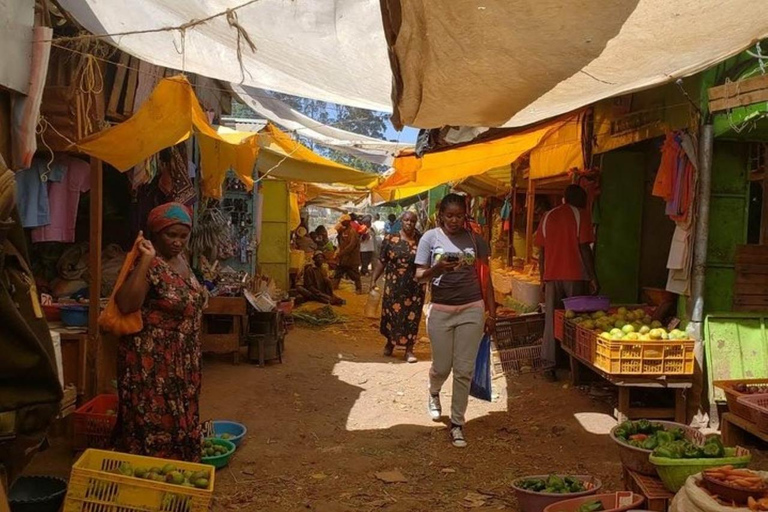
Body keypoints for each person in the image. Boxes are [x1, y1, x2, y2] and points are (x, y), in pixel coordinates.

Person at [114, 202, 206, 461]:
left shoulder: (182, 260)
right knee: (155, 417)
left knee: (181, 413)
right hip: (153, 362)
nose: (178, 242)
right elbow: (127, 303)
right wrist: (145, 259)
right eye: (171, 235)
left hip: (182, 359)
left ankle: (180, 467)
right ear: (155, 234)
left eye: (183, 236)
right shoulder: (150, 264)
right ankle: (153, 474)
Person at [415, 193, 495, 448]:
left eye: (459, 215)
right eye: (449, 215)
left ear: (465, 216)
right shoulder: (430, 238)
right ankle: (434, 391)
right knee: (442, 367)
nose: (454, 220)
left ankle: (457, 424)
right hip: (441, 309)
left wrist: (491, 312)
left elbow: (487, 279)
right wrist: (437, 268)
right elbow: (418, 277)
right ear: (441, 215)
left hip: (471, 308)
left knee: (463, 370)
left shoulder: (476, 240)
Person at [536, 184, 598, 381]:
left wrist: (542, 278)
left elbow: (542, 252)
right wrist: (592, 276)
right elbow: (584, 248)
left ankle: (550, 365)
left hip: (552, 275)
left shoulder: (547, 216)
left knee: (551, 320)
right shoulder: (581, 215)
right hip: (575, 275)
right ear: (580, 199)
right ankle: (576, 367)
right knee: (575, 320)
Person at [371, 211, 425, 363]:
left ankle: (409, 350)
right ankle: (390, 343)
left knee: (412, 316)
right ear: (402, 221)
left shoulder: (421, 240)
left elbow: (427, 262)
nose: (409, 223)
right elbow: (382, 261)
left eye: (412, 221)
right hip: (394, 286)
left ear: (416, 223)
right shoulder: (390, 239)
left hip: (415, 287)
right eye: (407, 220)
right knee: (392, 315)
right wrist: (374, 279)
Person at [333, 214, 363, 293]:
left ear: (347, 222)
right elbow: (340, 243)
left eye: (343, 222)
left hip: (351, 258)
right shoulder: (343, 231)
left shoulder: (352, 232)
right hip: (343, 258)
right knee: (338, 272)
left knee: (355, 274)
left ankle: (358, 289)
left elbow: (351, 246)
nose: (341, 223)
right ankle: (334, 286)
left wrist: (341, 253)